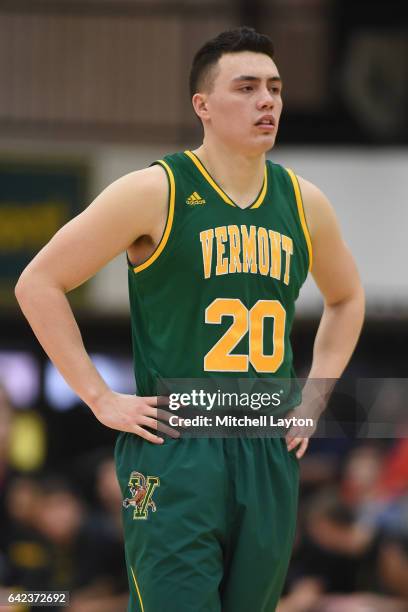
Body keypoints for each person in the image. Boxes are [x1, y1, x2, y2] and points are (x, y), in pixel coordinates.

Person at [15, 26, 365, 612]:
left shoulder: (305, 203)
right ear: (202, 106)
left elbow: (347, 298)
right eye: (247, 87)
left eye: (275, 89)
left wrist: (316, 397)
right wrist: (100, 397)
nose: (267, 102)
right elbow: (38, 283)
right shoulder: (155, 189)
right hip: (177, 445)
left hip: (265, 444)